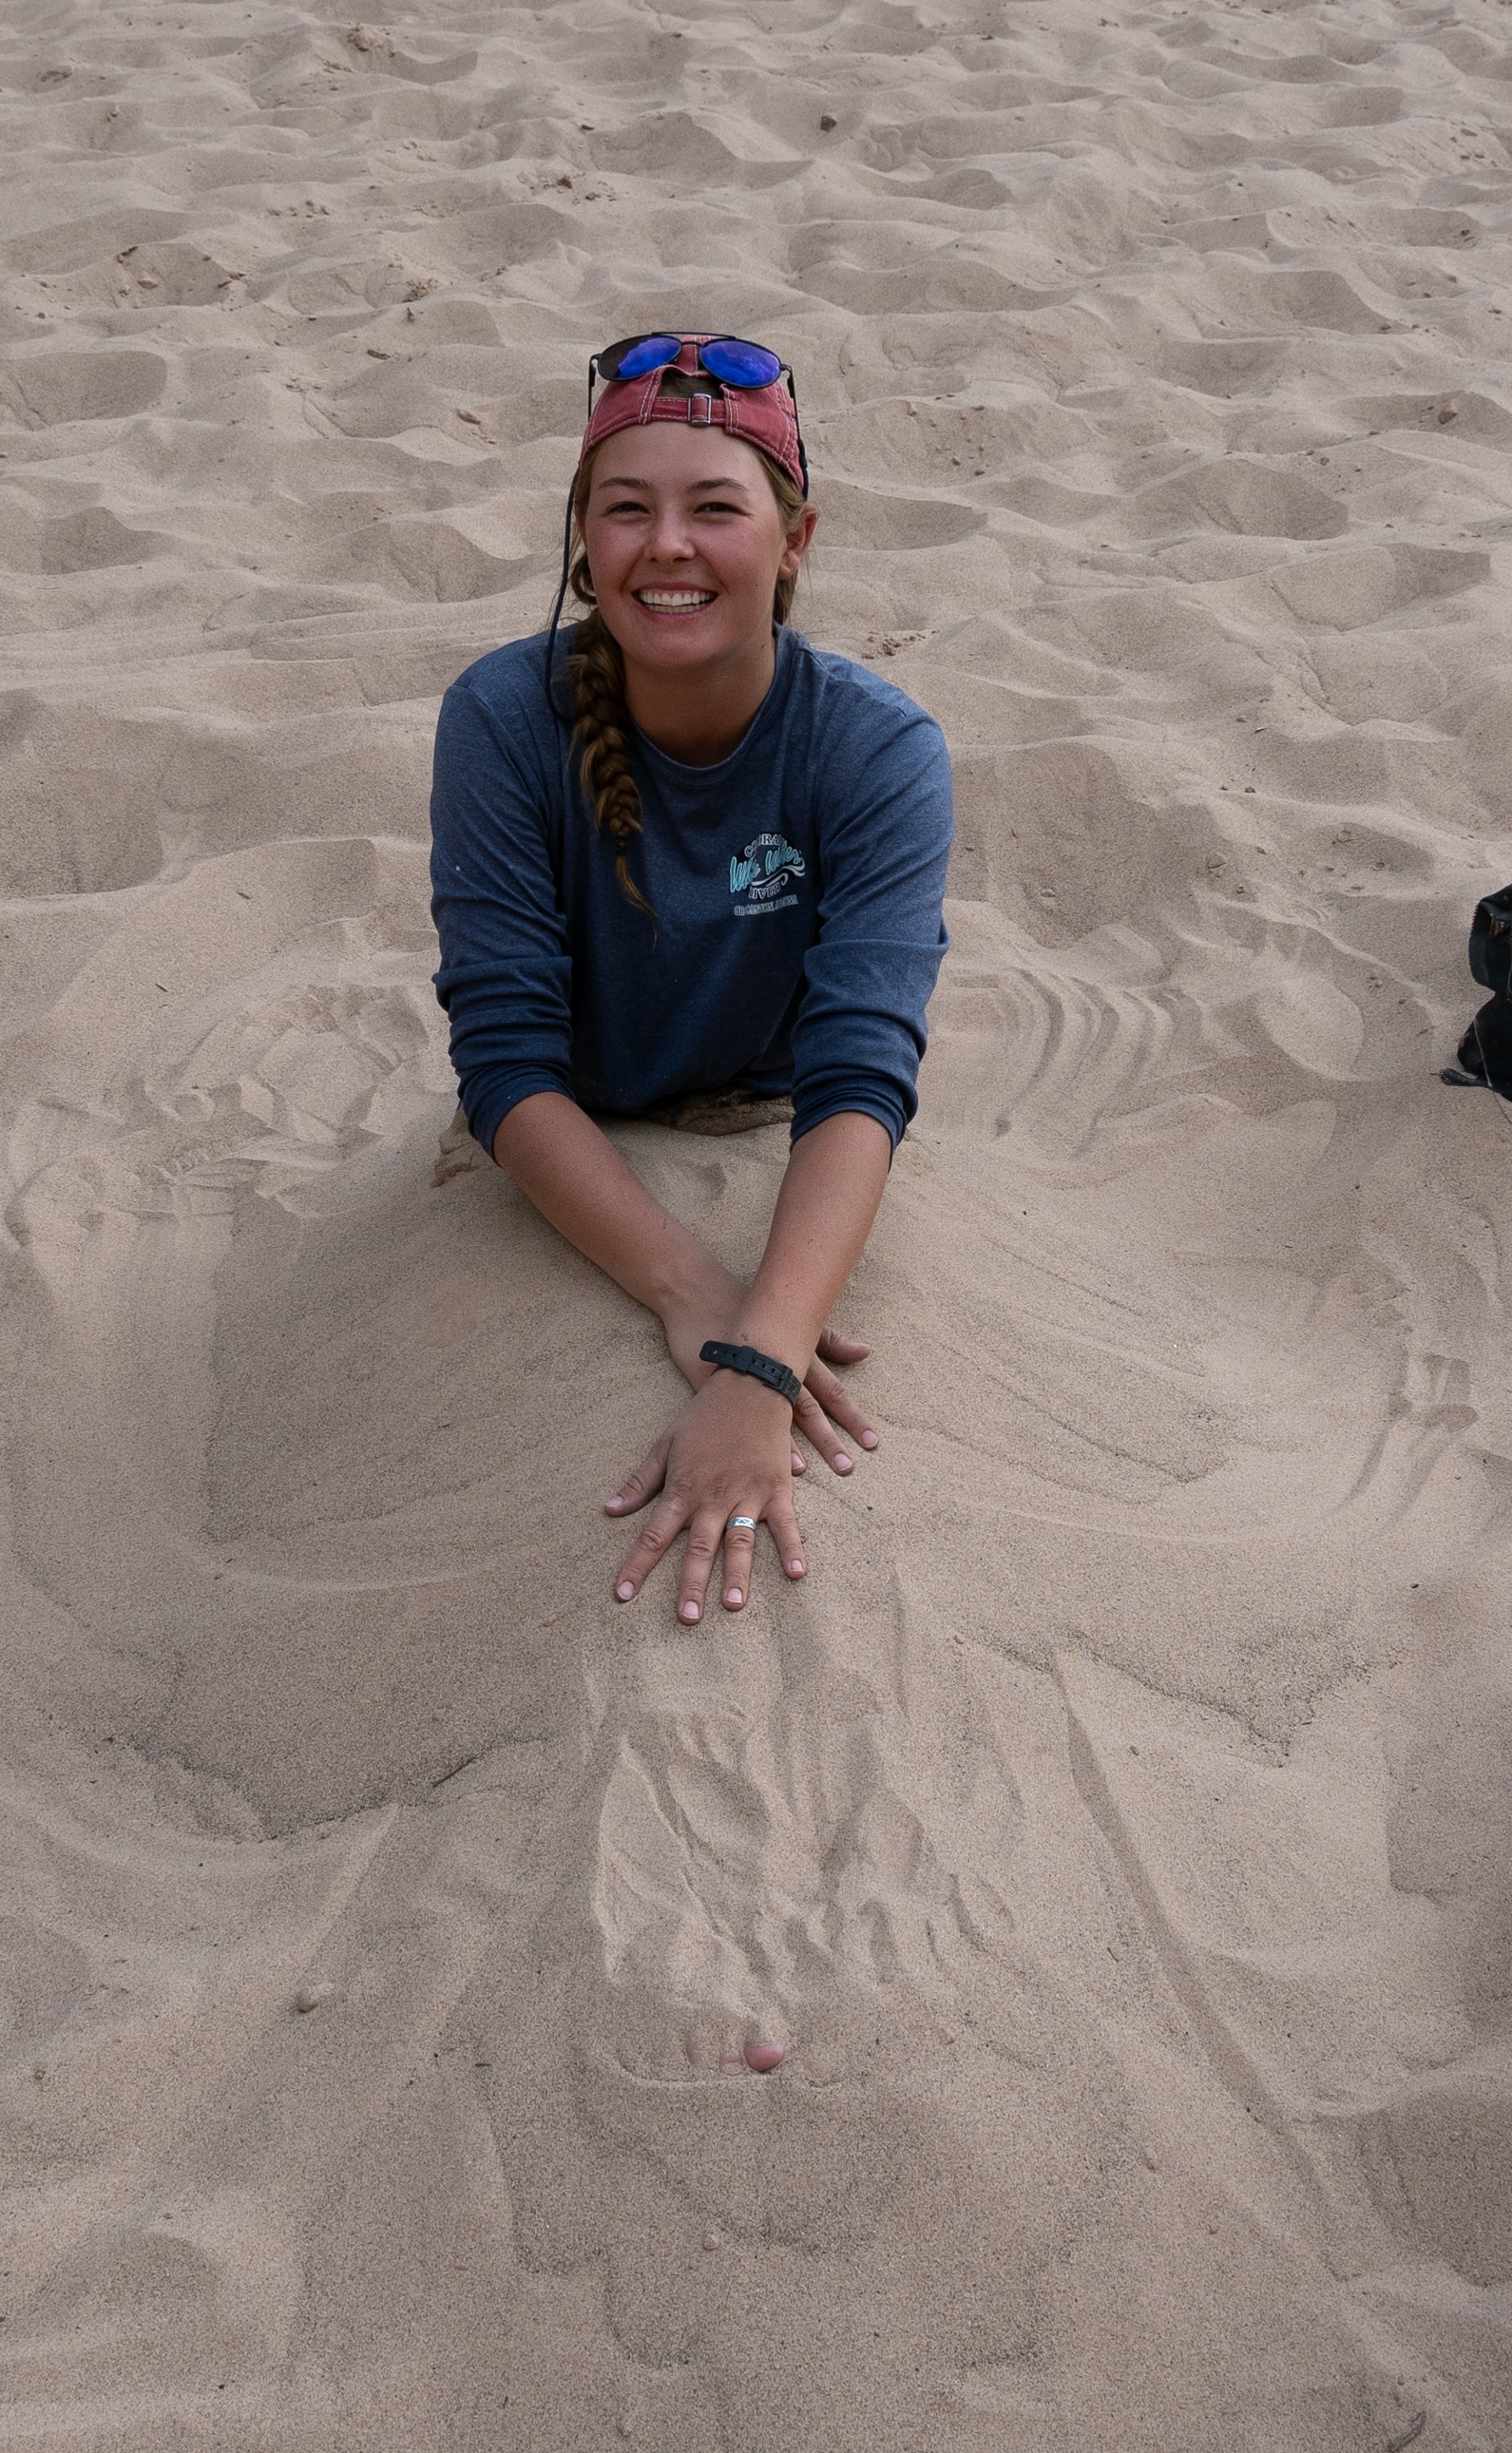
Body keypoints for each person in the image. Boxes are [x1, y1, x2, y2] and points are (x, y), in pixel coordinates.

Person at [430, 333, 952, 1626]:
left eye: (715, 507)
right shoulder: (502, 719)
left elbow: (862, 1069)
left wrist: (763, 1359)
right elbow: (502, 1061)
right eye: (626, 509)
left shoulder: (879, 751)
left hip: (771, 1114)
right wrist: (694, 1296)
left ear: (795, 541)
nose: (667, 545)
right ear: (582, 543)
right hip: (578, 1133)